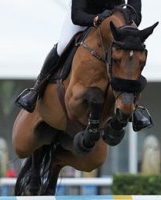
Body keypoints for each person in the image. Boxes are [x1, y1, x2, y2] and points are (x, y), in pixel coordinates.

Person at [15, 0, 152, 131]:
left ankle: (133, 106)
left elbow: (136, 16)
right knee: (62, 45)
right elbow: (77, 16)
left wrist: (125, 20)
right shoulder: (84, 17)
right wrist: (97, 18)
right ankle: (37, 88)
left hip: (115, 24)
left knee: (130, 55)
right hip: (86, 18)